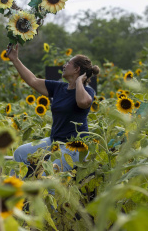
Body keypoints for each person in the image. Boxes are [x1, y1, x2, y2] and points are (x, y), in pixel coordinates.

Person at [6, 44, 100, 177]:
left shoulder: (87, 91)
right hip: (54, 141)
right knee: (20, 153)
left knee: (47, 174)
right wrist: (15, 59)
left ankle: (46, 196)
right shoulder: (58, 88)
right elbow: (33, 80)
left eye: (68, 63)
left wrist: (79, 82)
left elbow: (83, 102)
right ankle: (13, 191)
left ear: (76, 69)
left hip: (75, 147)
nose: (64, 65)